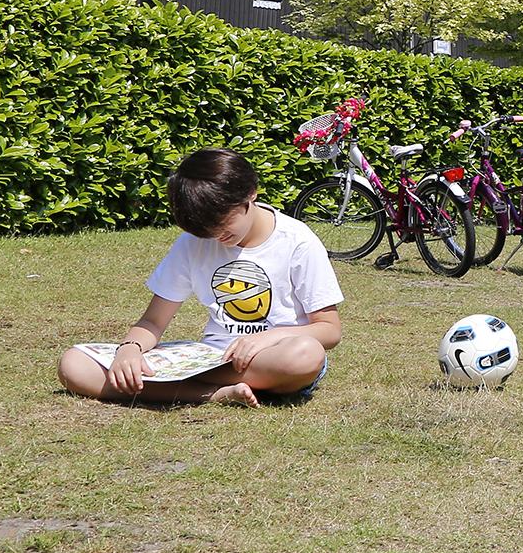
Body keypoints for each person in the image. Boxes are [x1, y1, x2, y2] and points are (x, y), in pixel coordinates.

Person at [55, 148, 342, 407]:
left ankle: (173, 387)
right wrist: (129, 350)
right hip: (208, 357)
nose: (216, 236)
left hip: (273, 356)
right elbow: (153, 322)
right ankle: (214, 393)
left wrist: (268, 338)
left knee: (305, 355)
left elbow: (329, 330)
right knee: (74, 365)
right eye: (205, 230)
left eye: (224, 224)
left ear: (250, 193)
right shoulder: (193, 242)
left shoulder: (297, 241)